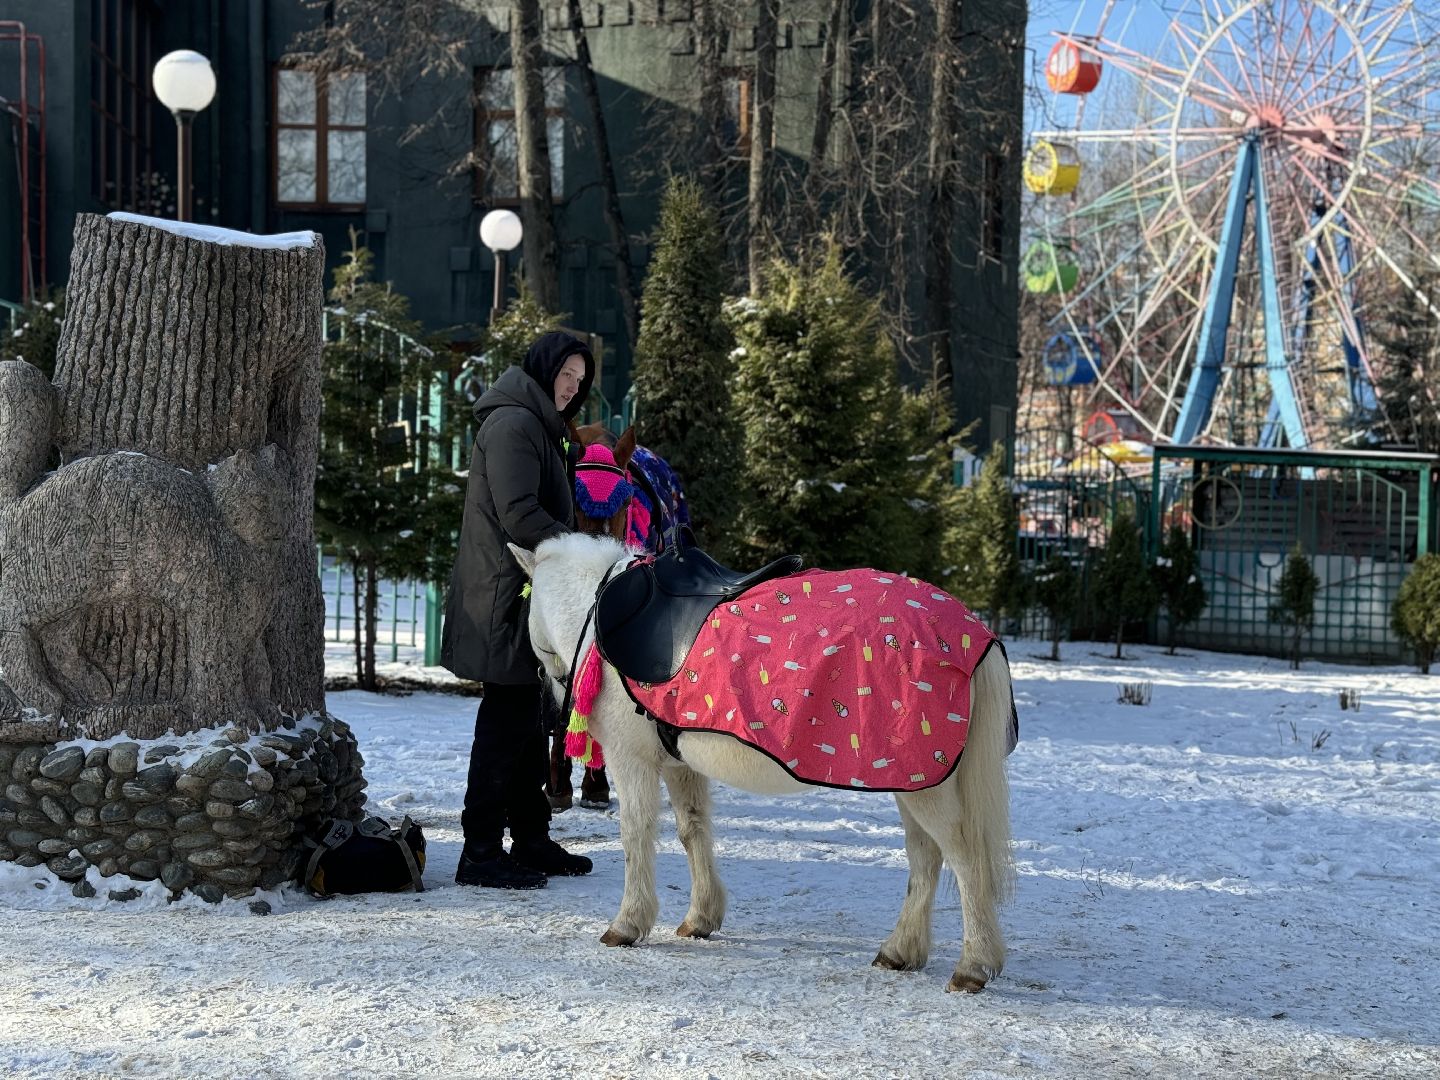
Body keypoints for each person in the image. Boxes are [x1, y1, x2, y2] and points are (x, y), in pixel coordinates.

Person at [440, 331, 596, 889]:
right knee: (506, 726)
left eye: (580, 381)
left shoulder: (538, 426)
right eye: (566, 375)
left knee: (532, 723)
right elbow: (520, 515)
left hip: (525, 595)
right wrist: (588, 556)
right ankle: (479, 850)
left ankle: (530, 838)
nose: (572, 388)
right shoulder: (514, 425)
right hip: (505, 599)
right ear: (544, 368)